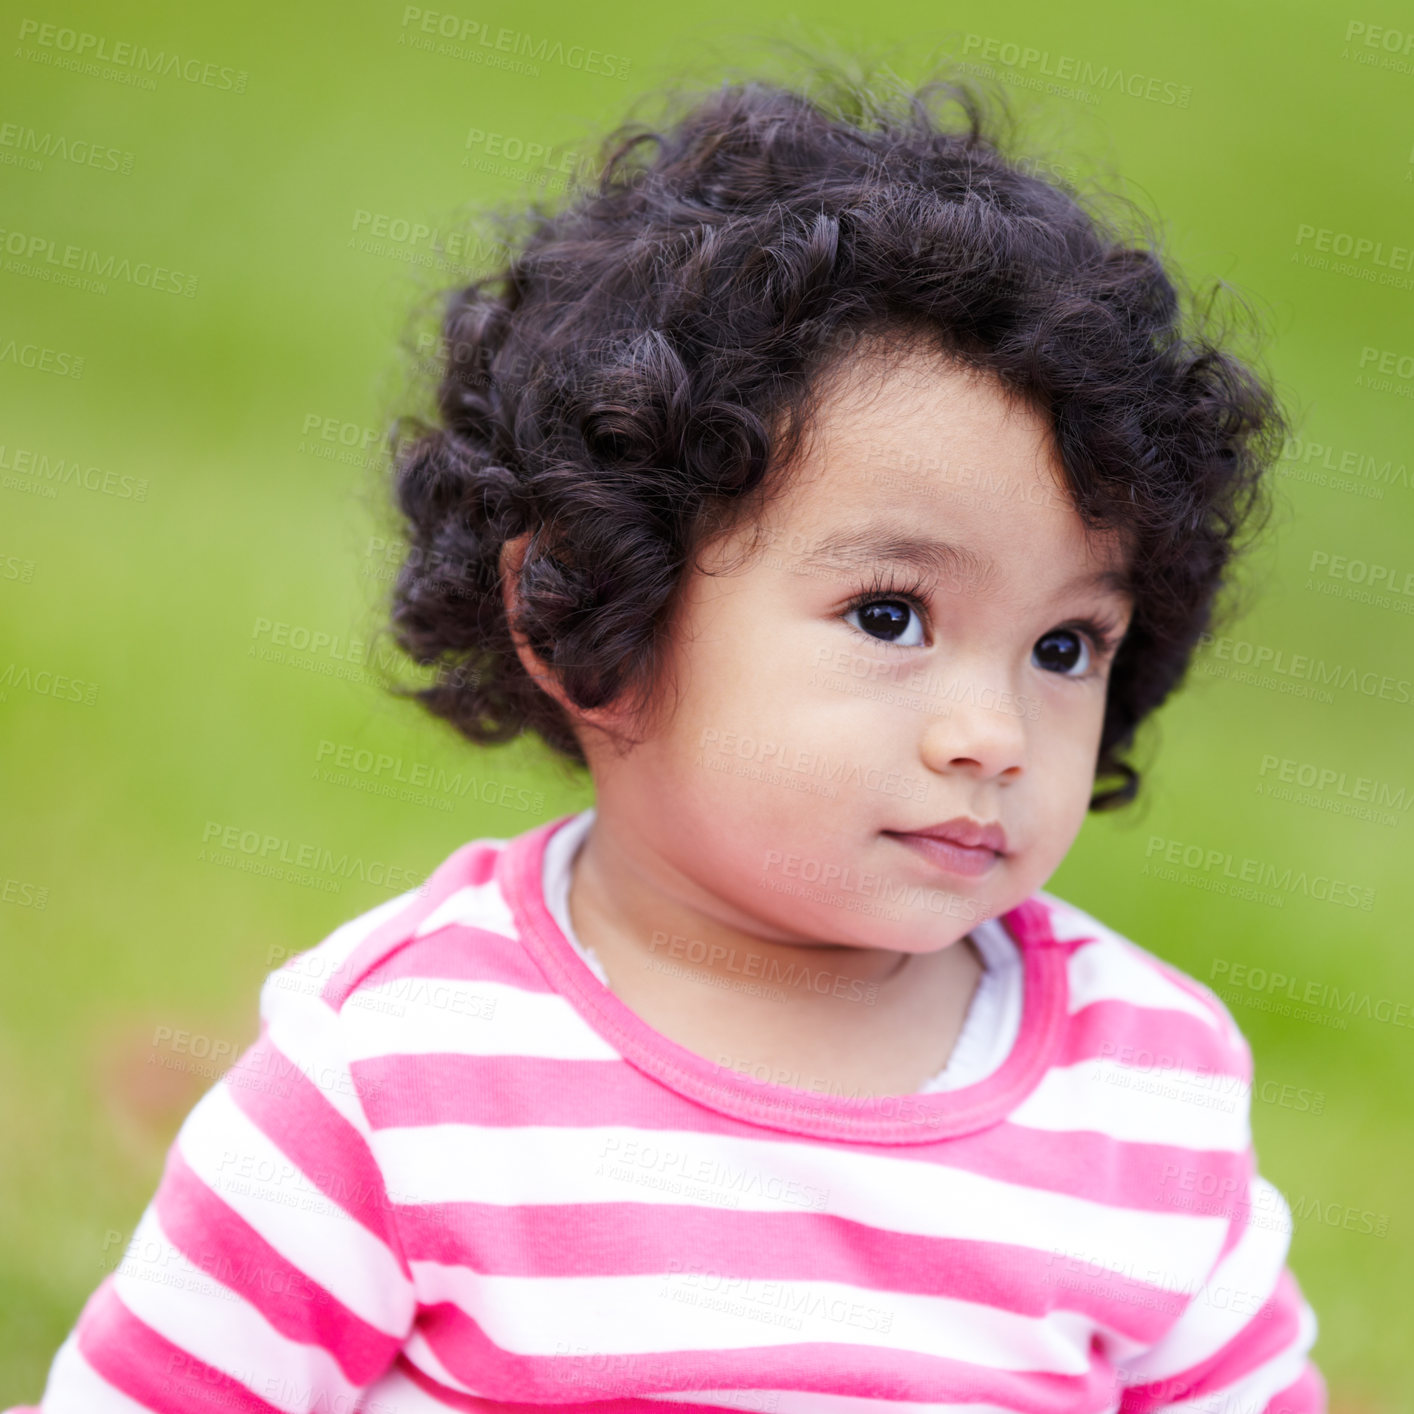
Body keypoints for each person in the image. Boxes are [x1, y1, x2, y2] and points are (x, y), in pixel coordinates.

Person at [11, 63, 1326, 1412]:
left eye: (1063, 647)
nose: (989, 732)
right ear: (590, 613)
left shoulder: (1143, 1092)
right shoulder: (399, 1073)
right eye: (888, 613)